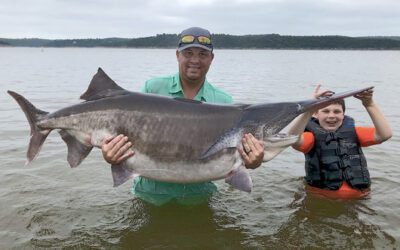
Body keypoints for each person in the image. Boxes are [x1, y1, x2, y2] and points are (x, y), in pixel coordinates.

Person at [101, 27, 265, 205]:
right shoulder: (153, 89)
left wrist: (253, 162)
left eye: (202, 54)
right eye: (188, 53)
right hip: (149, 196)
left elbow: (233, 156)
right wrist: (111, 155)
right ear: (177, 55)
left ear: (212, 58)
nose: (195, 60)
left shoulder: (223, 101)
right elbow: (127, 136)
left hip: (199, 198)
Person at [288, 85, 392, 199]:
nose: (331, 115)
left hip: (359, 198)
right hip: (323, 198)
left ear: (343, 115)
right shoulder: (311, 137)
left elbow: (384, 135)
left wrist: (369, 104)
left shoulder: (355, 133)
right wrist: (309, 109)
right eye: (326, 111)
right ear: (316, 114)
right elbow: (292, 139)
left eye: (337, 111)